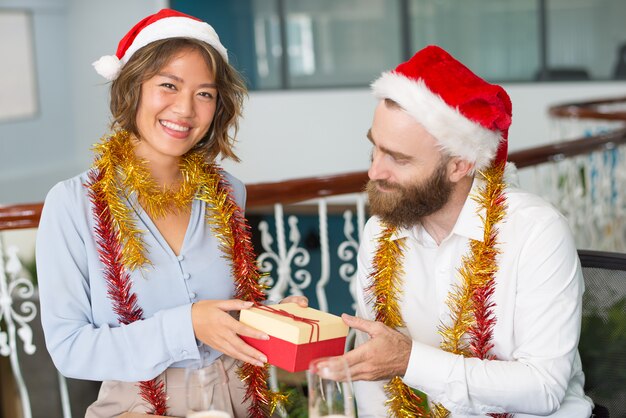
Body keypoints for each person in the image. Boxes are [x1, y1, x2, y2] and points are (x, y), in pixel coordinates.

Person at [36, 9, 305, 418]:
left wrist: (273, 321)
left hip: (237, 401)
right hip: (136, 407)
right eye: (168, 85)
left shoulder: (229, 192)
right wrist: (186, 325)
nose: (185, 109)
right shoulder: (73, 204)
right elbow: (70, 350)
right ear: (133, 88)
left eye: (204, 93)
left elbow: (223, 317)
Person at [324, 45, 594, 417]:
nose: (375, 172)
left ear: (459, 165)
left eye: (398, 159)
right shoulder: (379, 233)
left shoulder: (536, 232)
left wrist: (409, 360)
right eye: (376, 149)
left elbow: (543, 388)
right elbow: (375, 370)